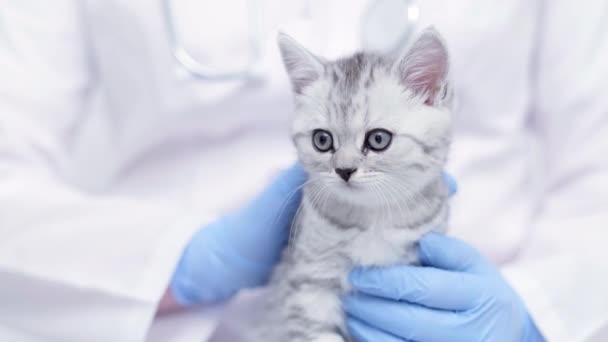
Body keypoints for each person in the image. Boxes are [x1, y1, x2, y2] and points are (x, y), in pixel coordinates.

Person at [1, 1, 607, 341]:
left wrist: (536, 313)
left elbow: (596, 165)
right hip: (182, 326)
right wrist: (175, 260)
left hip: (476, 300)